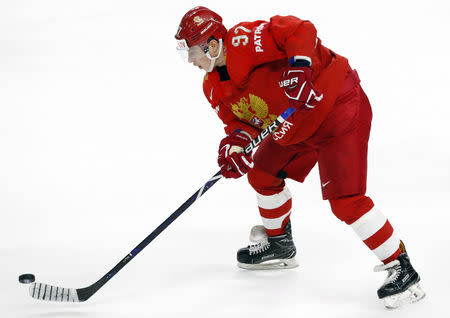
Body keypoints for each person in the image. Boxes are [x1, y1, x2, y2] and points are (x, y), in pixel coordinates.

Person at [175, 6, 425, 308]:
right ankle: (280, 245)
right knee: (262, 174)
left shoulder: (245, 39)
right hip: (293, 124)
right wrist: (234, 147)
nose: (189, 60)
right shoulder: (211, 87)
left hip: (336, 106)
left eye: (191, 51)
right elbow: (239, 122)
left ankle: (402, 267)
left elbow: (300, 30)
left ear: (212, 45)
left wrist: (300, 68)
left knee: (346, 201)